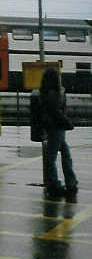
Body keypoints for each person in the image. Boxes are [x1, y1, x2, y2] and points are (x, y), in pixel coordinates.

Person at [38, 67, 78, 201]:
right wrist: (68, 122)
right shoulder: (52, 93)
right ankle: (57, 184)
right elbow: (56, 112)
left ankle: (69, 182)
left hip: (53, 128)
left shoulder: (46, 92)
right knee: (54, 157)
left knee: (63, 155)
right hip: (57, 128)